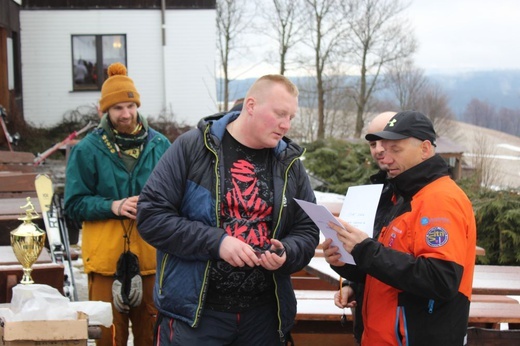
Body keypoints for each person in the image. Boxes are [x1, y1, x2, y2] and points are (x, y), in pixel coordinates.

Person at [136, 74, 320, 345]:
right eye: (280, 114)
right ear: (251, 105)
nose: (286, 125)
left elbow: (307, 228)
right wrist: (217, 242)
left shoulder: (289, 162)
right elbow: (151, 216)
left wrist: (287, 251)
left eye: (291, 117)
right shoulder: (193, 147)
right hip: (195, 317)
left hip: (264, 318)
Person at [324, 110, 476, 345]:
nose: (385, 157)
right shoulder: (402, 196)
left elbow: (440, 279)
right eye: (382, 148)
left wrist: (364, 249)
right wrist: (346, 262)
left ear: (425, 149)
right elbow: (389, 266)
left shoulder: (440, 199)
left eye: (396, 149)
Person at [64, 62, 170, 346]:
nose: (126, 114)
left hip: (151, 258)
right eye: (118, 108)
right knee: (108, 337)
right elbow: (72, 205)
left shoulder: (160, 145)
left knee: (153, 336)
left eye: (130, 106)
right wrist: (113, 206)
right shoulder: (87, 149)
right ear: (106, 112)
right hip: (104, 261)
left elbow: (178, 198)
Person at [327, 111, 396, 345]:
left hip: (402, 329)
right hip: (369, 327)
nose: (378, 149)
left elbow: (405, 265)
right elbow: (371, 255)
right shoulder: (375, 191)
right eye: (373, 143)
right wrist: (351, 285)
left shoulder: (418, 196)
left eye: (384, 141)